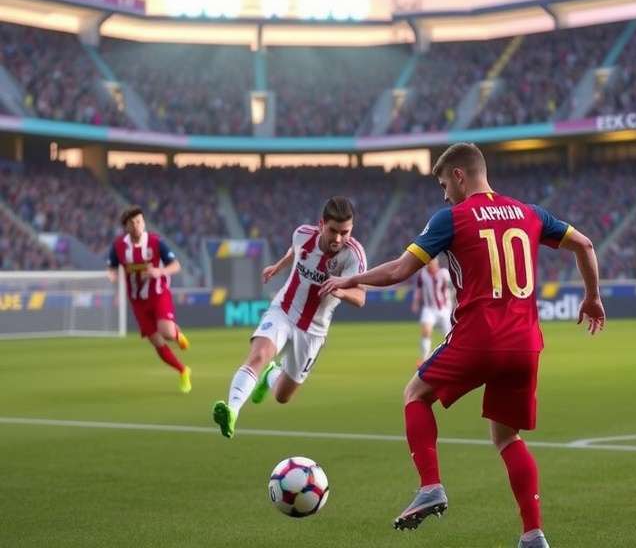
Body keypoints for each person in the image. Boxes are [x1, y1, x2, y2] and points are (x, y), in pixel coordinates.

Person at [321, 143, 605, 548]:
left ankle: (430, 485)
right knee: (508, 438)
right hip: (525, 344)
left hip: (479, 336)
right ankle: (533, 535)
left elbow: (401, 270)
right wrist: (592, 296)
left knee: (414, 395)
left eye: (442, 183)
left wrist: (351, 279)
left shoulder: (451, 218)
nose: (443, 194)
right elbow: (587, 245)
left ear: (458, 175)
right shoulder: (530, 213)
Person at [212, 196, 367, 439]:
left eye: (344, 232)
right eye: (333, 231)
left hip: (314, 331)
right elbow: (295, 251)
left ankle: (270, 375)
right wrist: (278, 266)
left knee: (283, 396)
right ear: (321, 225)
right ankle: (232, 410)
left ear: (352, 229)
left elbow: (360, 297)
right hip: (283, 310)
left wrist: (339, 289)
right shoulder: (302, 234)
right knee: (259, 355)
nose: (338, 238)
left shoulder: (354, 256)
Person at [107, 206, 191, 393]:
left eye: (139, 221)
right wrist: (112, 275)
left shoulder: (155, 242)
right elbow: (112, 266)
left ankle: (176, 333)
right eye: (132, 223)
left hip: (158, 293)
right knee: (156, 341)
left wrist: (159, 271)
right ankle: (183, 371)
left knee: (166, 332)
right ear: (126, 227)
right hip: (137, 301)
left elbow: (176, 265)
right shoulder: (119, 246)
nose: (136, 225)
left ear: (144, 223)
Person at [411, 257, 453, 362]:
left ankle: (452, 357)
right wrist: (416, 302)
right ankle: (425, 359)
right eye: (429, 264)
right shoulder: (422, 274)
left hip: (444, 309)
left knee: (449, 335)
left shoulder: (444, 273)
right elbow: (419, 289)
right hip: (429, 308)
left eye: (433, 263)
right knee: (426, 331)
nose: (431, 266)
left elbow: (452, 289)